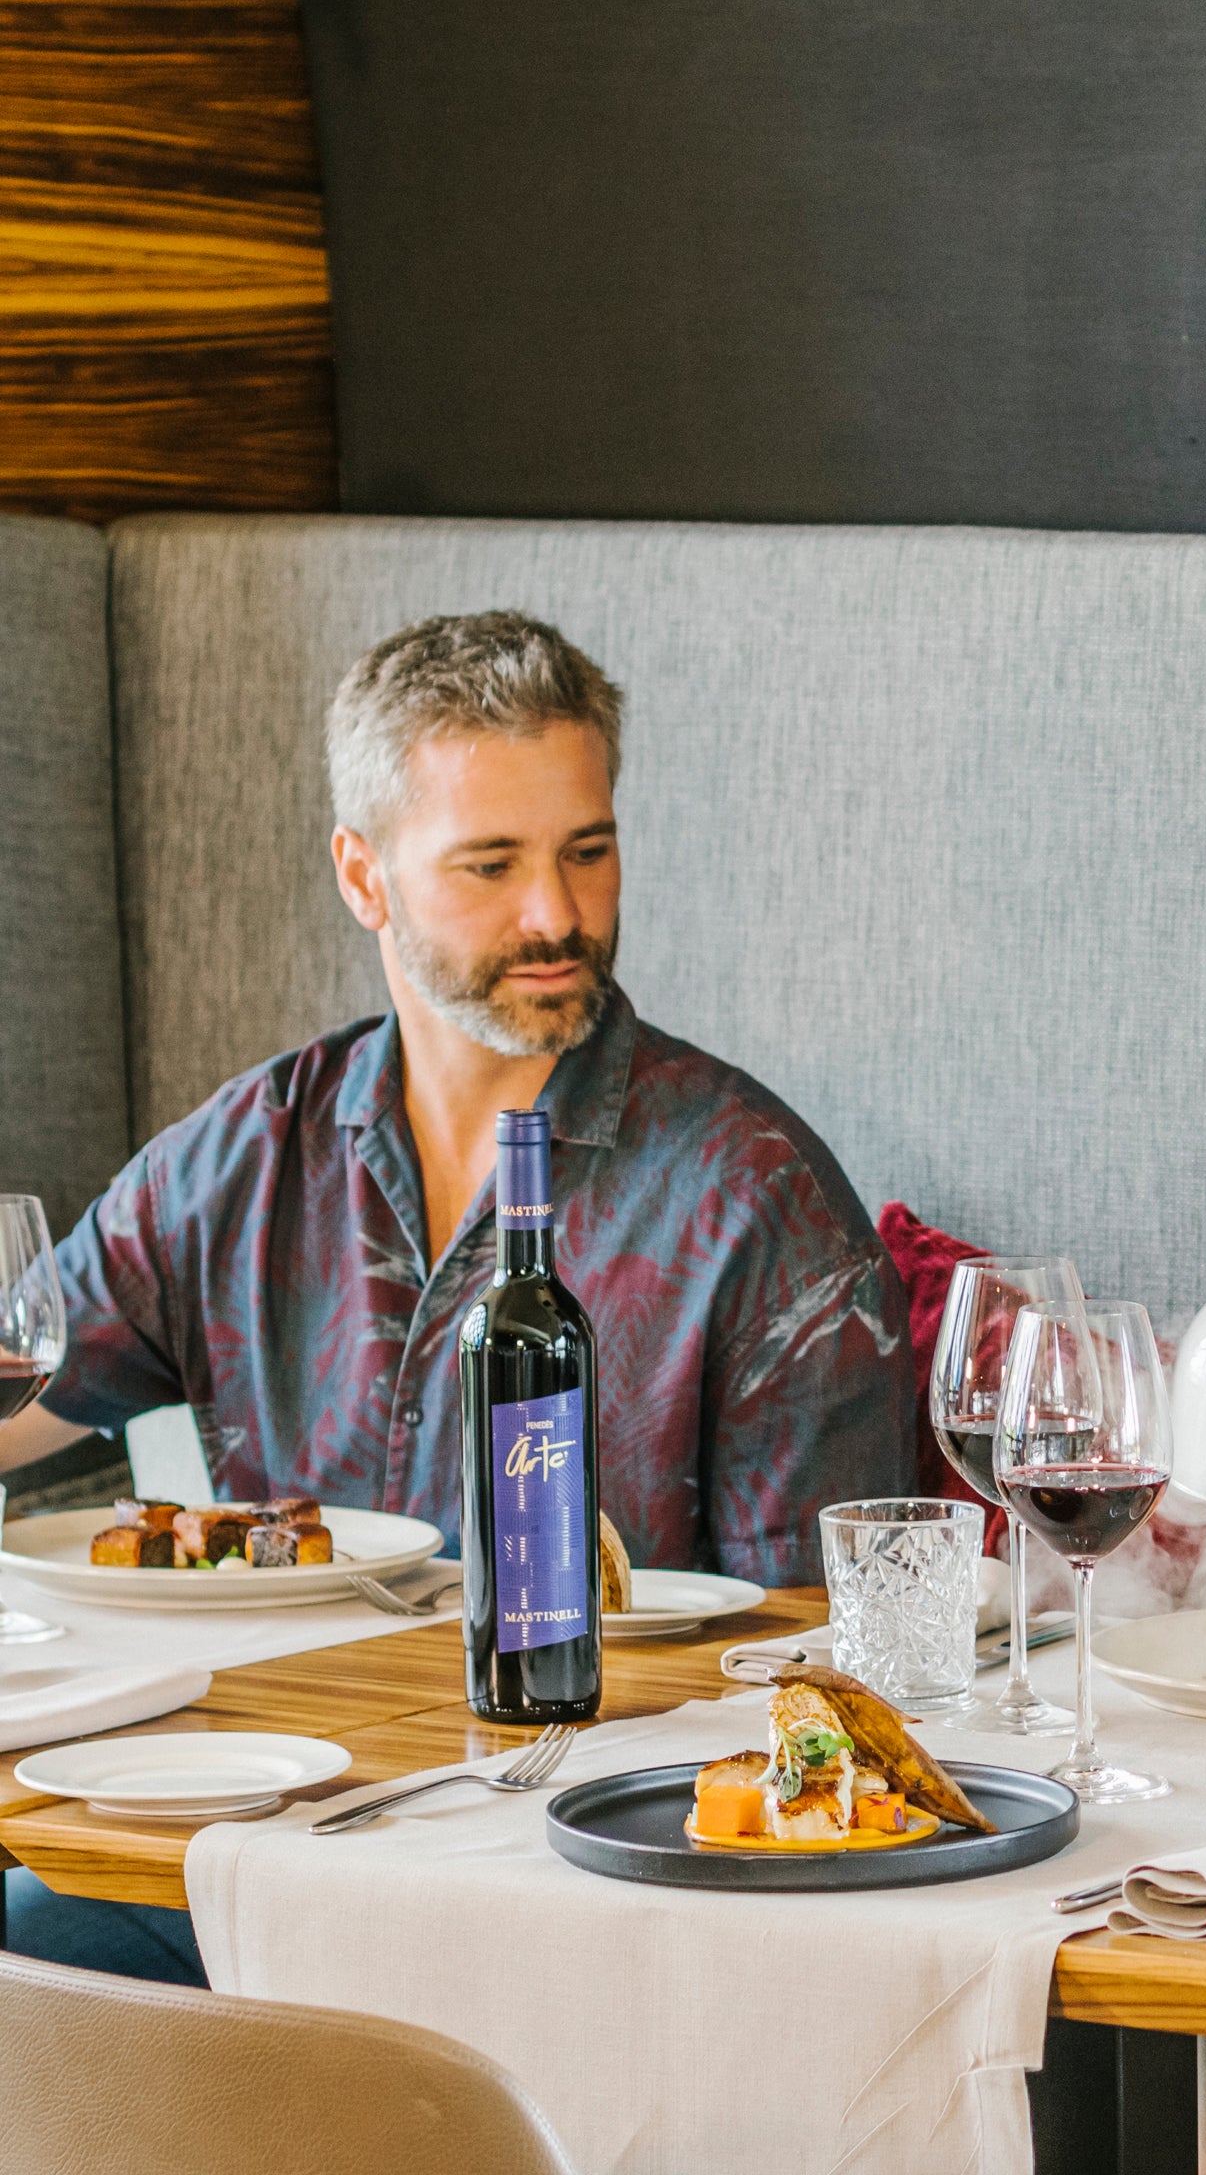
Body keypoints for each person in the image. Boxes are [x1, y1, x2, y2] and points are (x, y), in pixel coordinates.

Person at [1, 610, 914, 1978]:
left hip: (584, 1897)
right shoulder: (248, 1158)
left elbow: (831, 1671)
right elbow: (24, 1385)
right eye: (490, 865)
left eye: (587, 853)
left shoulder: (754, 1200)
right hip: (261, 1846)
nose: (556, 915)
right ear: (363, 877)